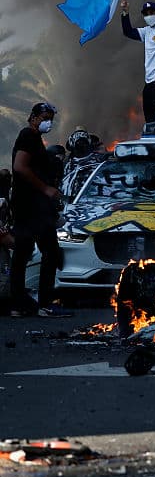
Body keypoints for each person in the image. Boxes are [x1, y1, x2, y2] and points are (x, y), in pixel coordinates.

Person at [10, 102, 69, 317]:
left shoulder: (32, 137)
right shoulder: (28, 135)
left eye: (51, 118)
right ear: (33, 117)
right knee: (50, 251)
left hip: (26, 205)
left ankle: (18, 305)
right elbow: (20, 167)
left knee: (22, 252)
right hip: (33, 207)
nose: (48, 122)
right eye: (45, 117)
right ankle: (45, 303)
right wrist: (46, 189)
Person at [121, 0, 155, 123]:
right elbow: (128, 32)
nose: (148, 15)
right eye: (146, 13)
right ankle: (153, 139)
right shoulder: (146, 31)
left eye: (151, 12)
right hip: (150, 81)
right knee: (150, 116)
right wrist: (125, 12)